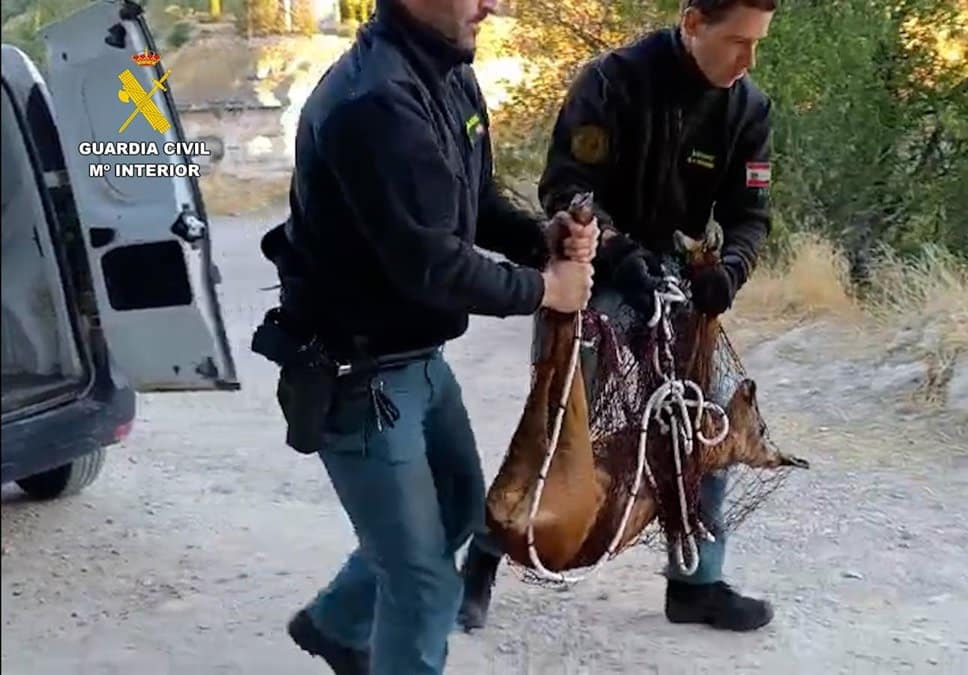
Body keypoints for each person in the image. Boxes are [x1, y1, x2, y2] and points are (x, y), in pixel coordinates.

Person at [256, 1, 598, 673]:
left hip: (417, 361)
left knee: (458, 509)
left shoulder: (449, 74)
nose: (491, 5)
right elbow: (433, 265)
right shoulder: (374, 103)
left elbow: (470, 207)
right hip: (357, 379)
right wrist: (545, 289)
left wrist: (541, 237)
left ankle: (335, 626)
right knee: (423, 584)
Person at [457, 0, 778, 635]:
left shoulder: (748, 108)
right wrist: (616, 250)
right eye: (736, 41)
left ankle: (696, 583)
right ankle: (482, 561)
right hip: (596, 274)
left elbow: (750, 215)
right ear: (692, 23)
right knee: (561, 426)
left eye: (757, 45)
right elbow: (567, 188)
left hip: (676, 283)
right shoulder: (612, 81)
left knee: (706, 423)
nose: (747, 59)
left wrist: (728, 271)